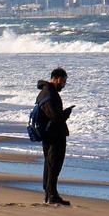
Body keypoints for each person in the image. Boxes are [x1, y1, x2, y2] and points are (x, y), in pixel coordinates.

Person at [35, 67, 74, 205]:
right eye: (63, 82)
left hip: (51, 134)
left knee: (51, 165)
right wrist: (66, 114)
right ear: (57, 79)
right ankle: (51, 195)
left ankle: (50, 193)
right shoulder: (48, 94)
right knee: (53, 165)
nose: (63, 85)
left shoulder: (46, 92)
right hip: (53, 135)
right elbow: (55, 117)